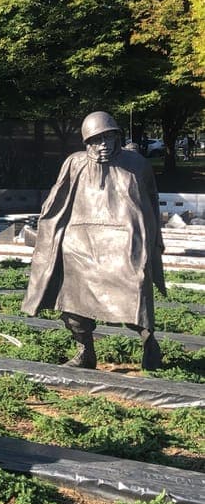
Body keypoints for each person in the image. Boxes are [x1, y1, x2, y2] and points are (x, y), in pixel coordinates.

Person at [22, 111, 165, 370]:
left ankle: (148, 341)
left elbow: (151, 204)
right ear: (86, 142)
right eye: (96, 140)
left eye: (109, 138)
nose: (104, 145)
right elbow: (56, 202)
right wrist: (47, 237)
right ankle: (85, 350)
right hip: (80, 246)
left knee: (134, 294)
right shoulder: (74, 163)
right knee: (71, 301)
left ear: (117, 138)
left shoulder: (136, 164)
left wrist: (153, 242)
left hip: (125, 242)